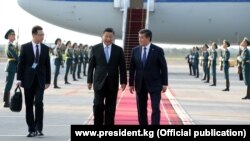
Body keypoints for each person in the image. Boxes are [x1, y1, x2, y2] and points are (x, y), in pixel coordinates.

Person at [87, 28, 127, 125]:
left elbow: (122, 67)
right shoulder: (95, 48)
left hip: (112, 83)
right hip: (98, 82)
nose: (108, 39)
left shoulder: (119, 50)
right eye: (106, 36)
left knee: (111, 107)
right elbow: (91, 66)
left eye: (110, 37)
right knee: (97, 105)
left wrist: (123, 81)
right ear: (102, 36)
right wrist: (89, 81)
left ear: (113, 37)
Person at [16, 25, 51, 137]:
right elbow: (21, 64)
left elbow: (47, 65)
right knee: (29, 104)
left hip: (40, 80)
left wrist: (48, 81)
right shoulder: (25, 47)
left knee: (39, 103)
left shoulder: (45, 48)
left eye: (43, 34)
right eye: (40, 34)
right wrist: (19, 79)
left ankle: (38, 128)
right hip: (28, 80)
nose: (42, 36)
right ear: (34, 35)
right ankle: (31, 129)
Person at [129, 29, 168, 125]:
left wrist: (165, 83)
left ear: (148, 38)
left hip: (155, 84)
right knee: (141, 109)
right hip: (140, 84)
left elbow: (164, 68)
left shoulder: (158, 50)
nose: (139, 39)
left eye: (142, 37)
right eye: (139, 37)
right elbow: (132, 68)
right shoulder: (135, 50)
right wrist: (130, 83)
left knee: (155, 108)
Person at [3, 29, 18, 107]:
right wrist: (20, 61)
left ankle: (6, 101)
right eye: (12, 35)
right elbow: (15, 56)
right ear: (9, 37)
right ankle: (6, 102)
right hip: (11, 66)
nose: (14, 36)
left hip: (11, 66)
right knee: (8, 84)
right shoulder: (10, 45)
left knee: (8, 84)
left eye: (14, 35)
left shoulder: (11, 45)